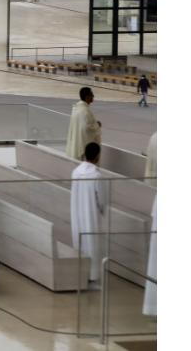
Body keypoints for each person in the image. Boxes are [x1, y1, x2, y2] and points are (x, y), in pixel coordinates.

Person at [70, 142, 108, 284]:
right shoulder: (97, 175)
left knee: (80, 245)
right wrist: (103, 210)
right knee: (92, 245)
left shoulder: (76, 172)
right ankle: (92, 276)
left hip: (77, 215)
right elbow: (102, 200)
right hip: (91, 216)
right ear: (97, 155)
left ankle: (81, 274)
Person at [65, 87, 102, 160]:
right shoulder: (85, 111)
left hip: (76, 143)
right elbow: (87, 128)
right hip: (83, 146)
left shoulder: (76, 108)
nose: (93, 96)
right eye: (92, 94)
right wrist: (97, 125)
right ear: (87, 97)